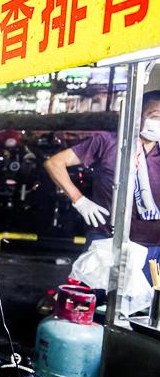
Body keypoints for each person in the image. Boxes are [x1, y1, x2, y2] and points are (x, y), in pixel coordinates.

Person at [44, 90, 160, 280]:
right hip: (105, 238)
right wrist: (80, 200)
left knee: (144, 306)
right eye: (155, 116)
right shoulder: (108, 142)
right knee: (92, 298)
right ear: (138, 115)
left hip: (153, 245)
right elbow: (54, 163)